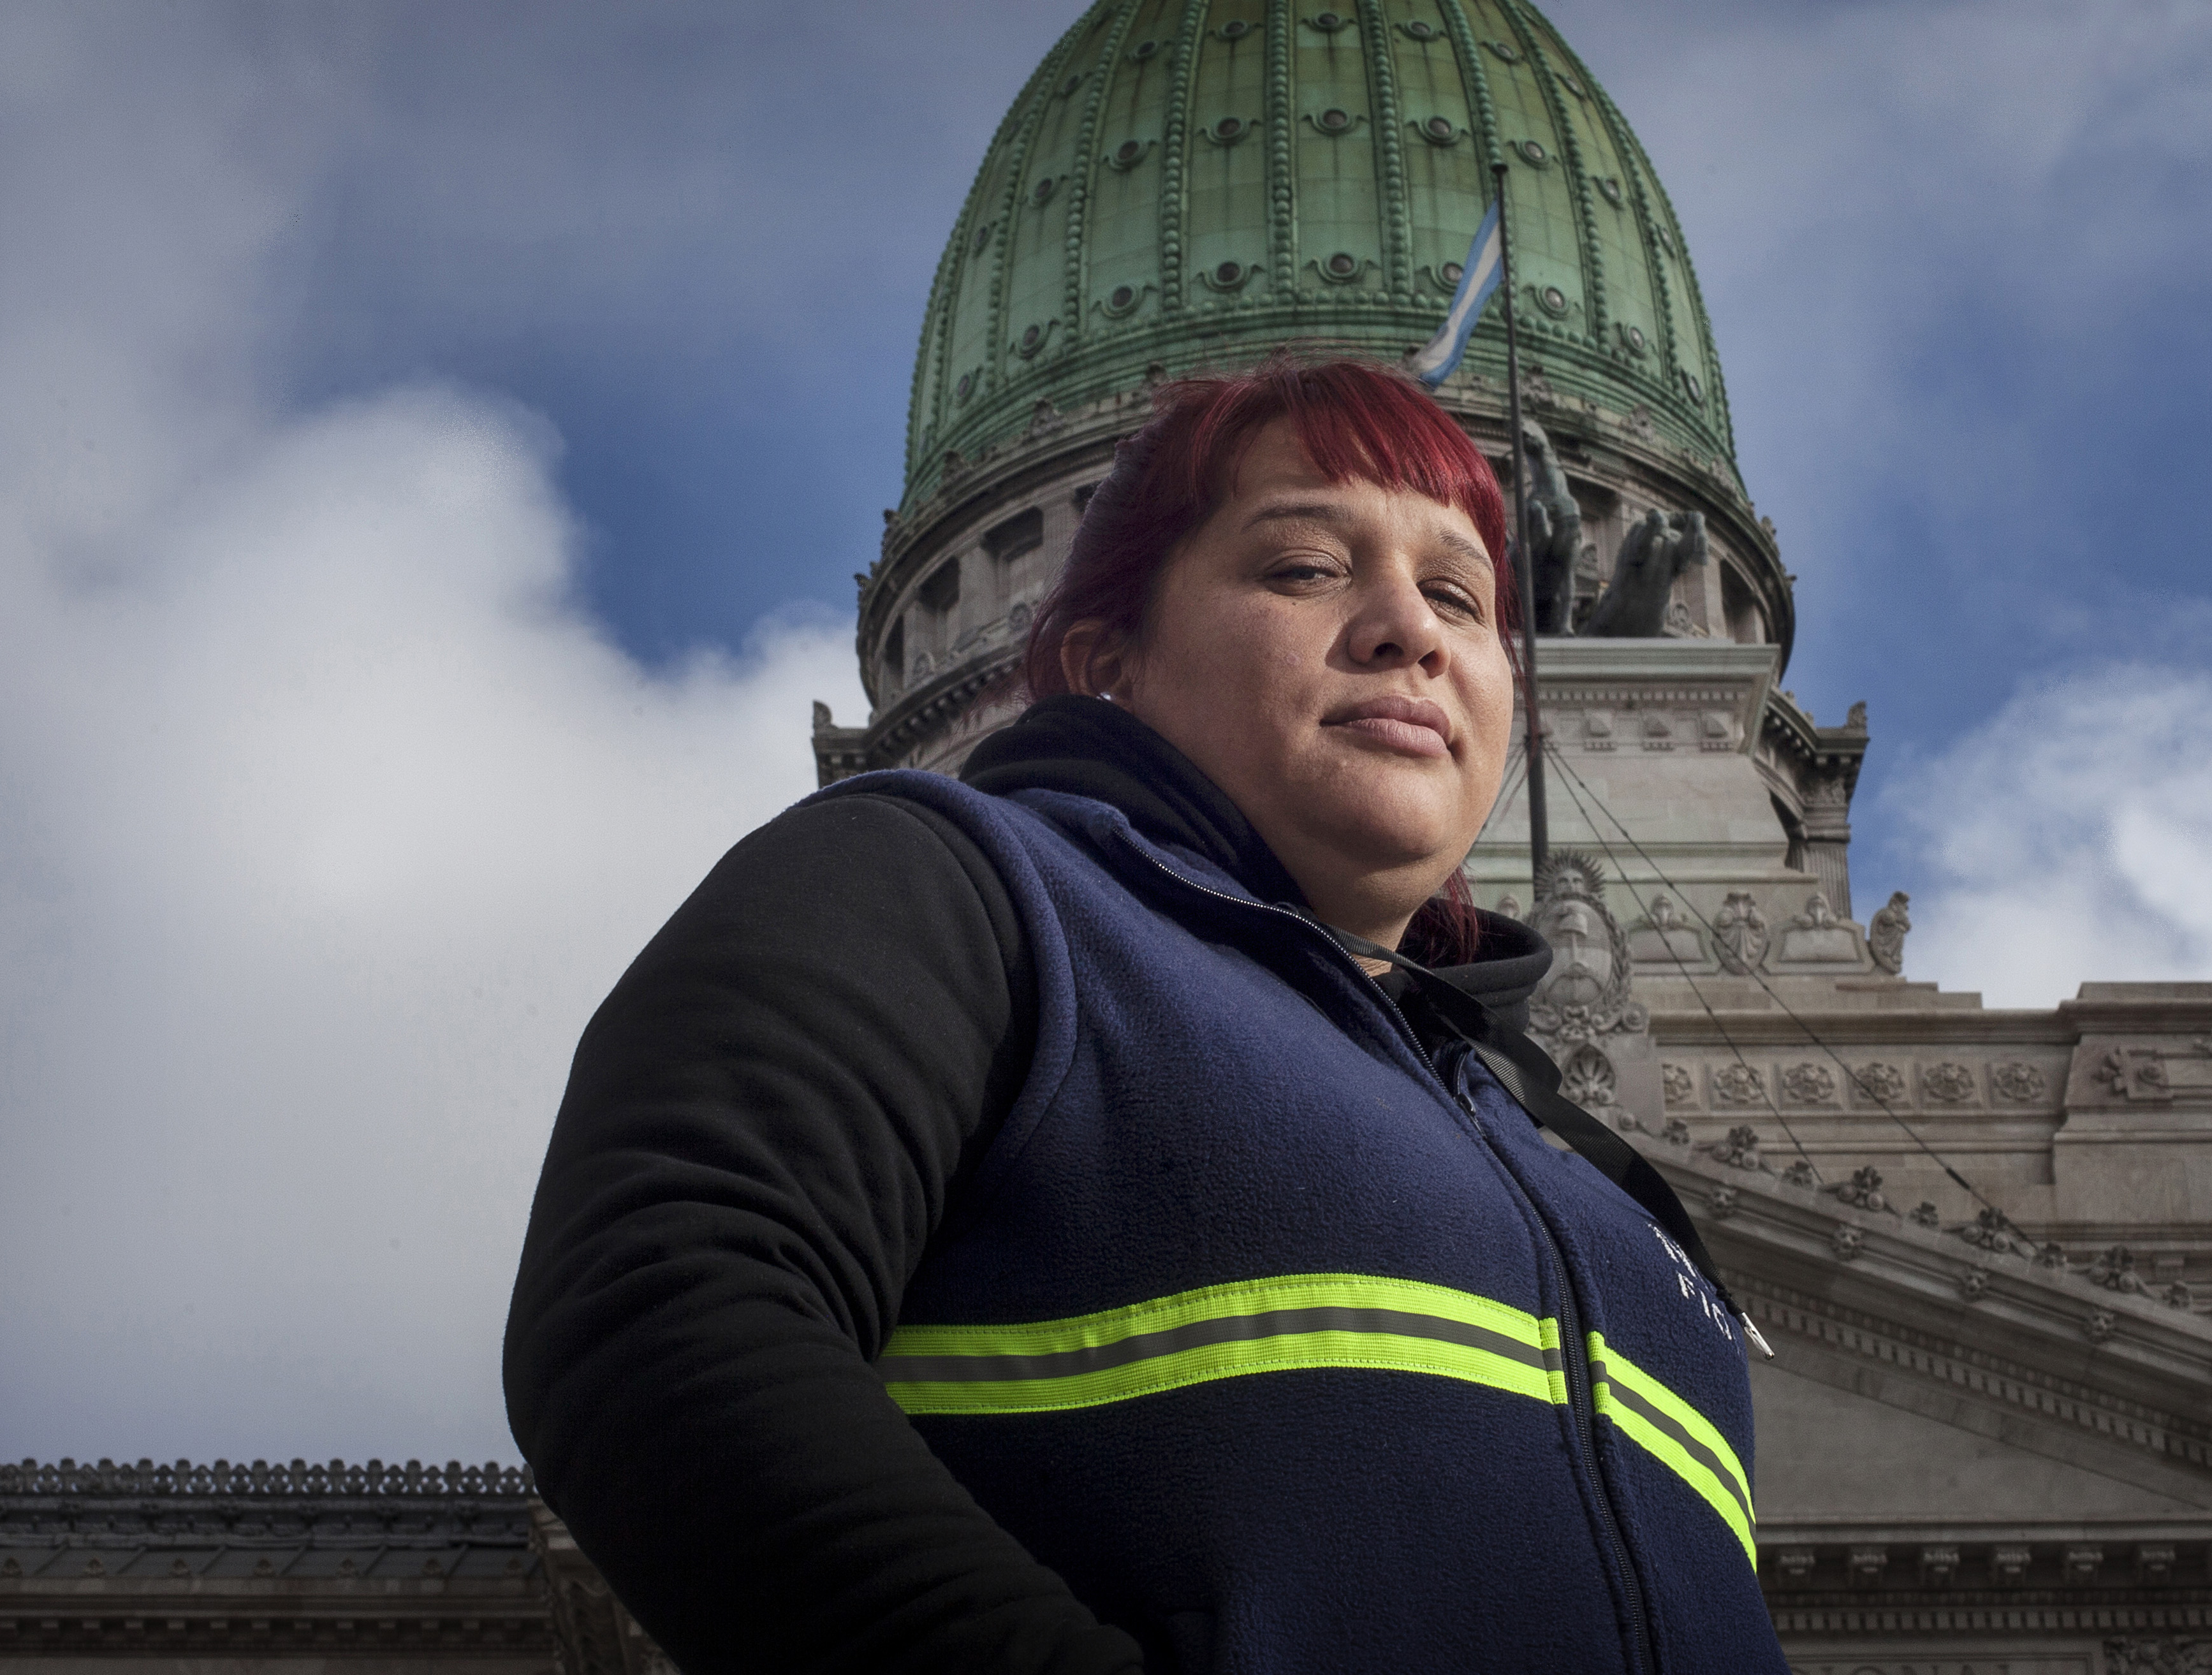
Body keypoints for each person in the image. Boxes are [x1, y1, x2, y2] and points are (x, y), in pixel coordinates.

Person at [503, 358, 1787, 1674]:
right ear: (1105, 659)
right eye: (1302, 567)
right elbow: (658, 1309)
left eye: (1461, 594)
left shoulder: (1588, 1188)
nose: (1411, 628)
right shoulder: (955, 886)